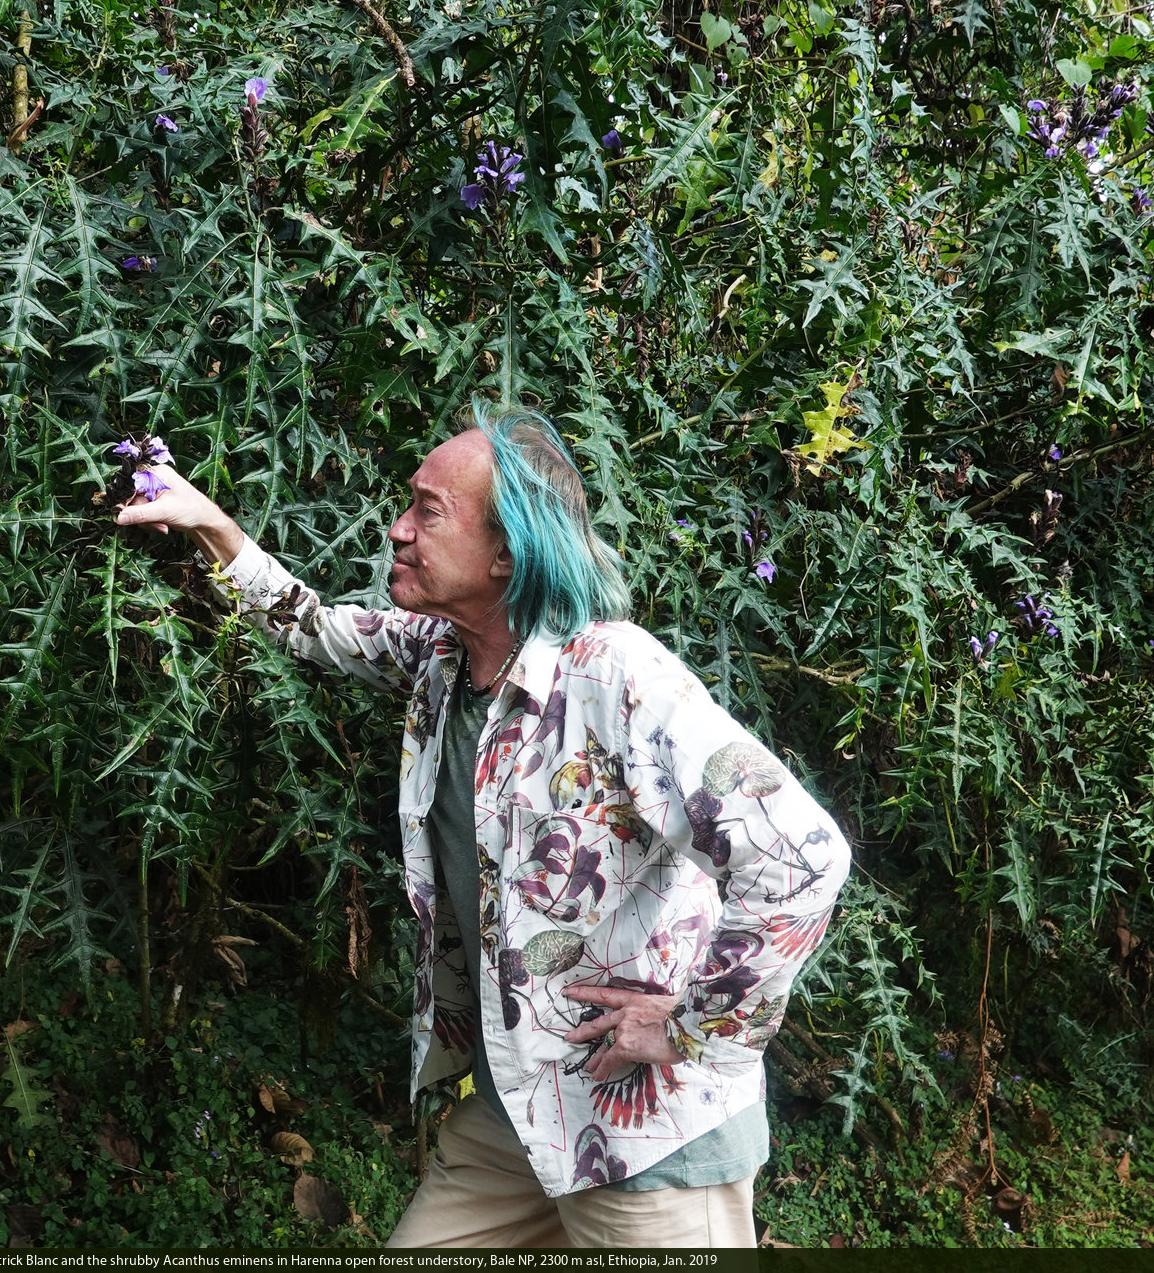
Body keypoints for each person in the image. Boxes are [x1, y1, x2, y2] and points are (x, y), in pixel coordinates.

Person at [114, 403, 850, 1249]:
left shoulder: (617, 678)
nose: (397, 528)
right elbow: (313, 628)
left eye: (427, 511)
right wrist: (207, 521)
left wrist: (686, 1025)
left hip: (645, 1138)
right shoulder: (442, 658)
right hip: (518, 1117)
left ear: (507, 552)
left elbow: (802, 856)